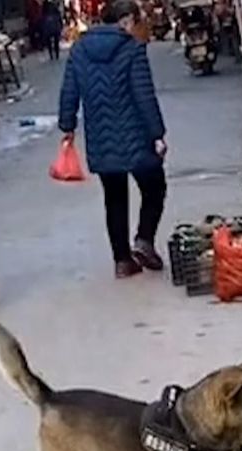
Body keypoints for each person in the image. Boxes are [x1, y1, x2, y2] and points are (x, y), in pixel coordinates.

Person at [58, 0, 168, 279]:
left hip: (101, 136)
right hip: (137, 134)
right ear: (126, 20)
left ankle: (122, 261)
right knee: (154, 187)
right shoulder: (132, 49)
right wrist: (157, 134)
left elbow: (69, 90)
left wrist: (67, 125)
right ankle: (144, 240)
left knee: (114, 198)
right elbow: (144, 95)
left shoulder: (79, 49)